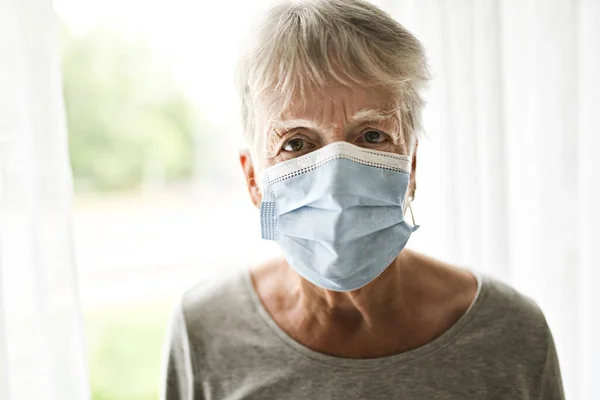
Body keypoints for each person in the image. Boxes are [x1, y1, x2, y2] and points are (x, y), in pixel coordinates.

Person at [162, 0, 565, 398]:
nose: (336, 178)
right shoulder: (206, 330)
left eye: (372, 136)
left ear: (412, 164)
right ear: (254, 178)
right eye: (296, 143)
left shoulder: (509, 333)